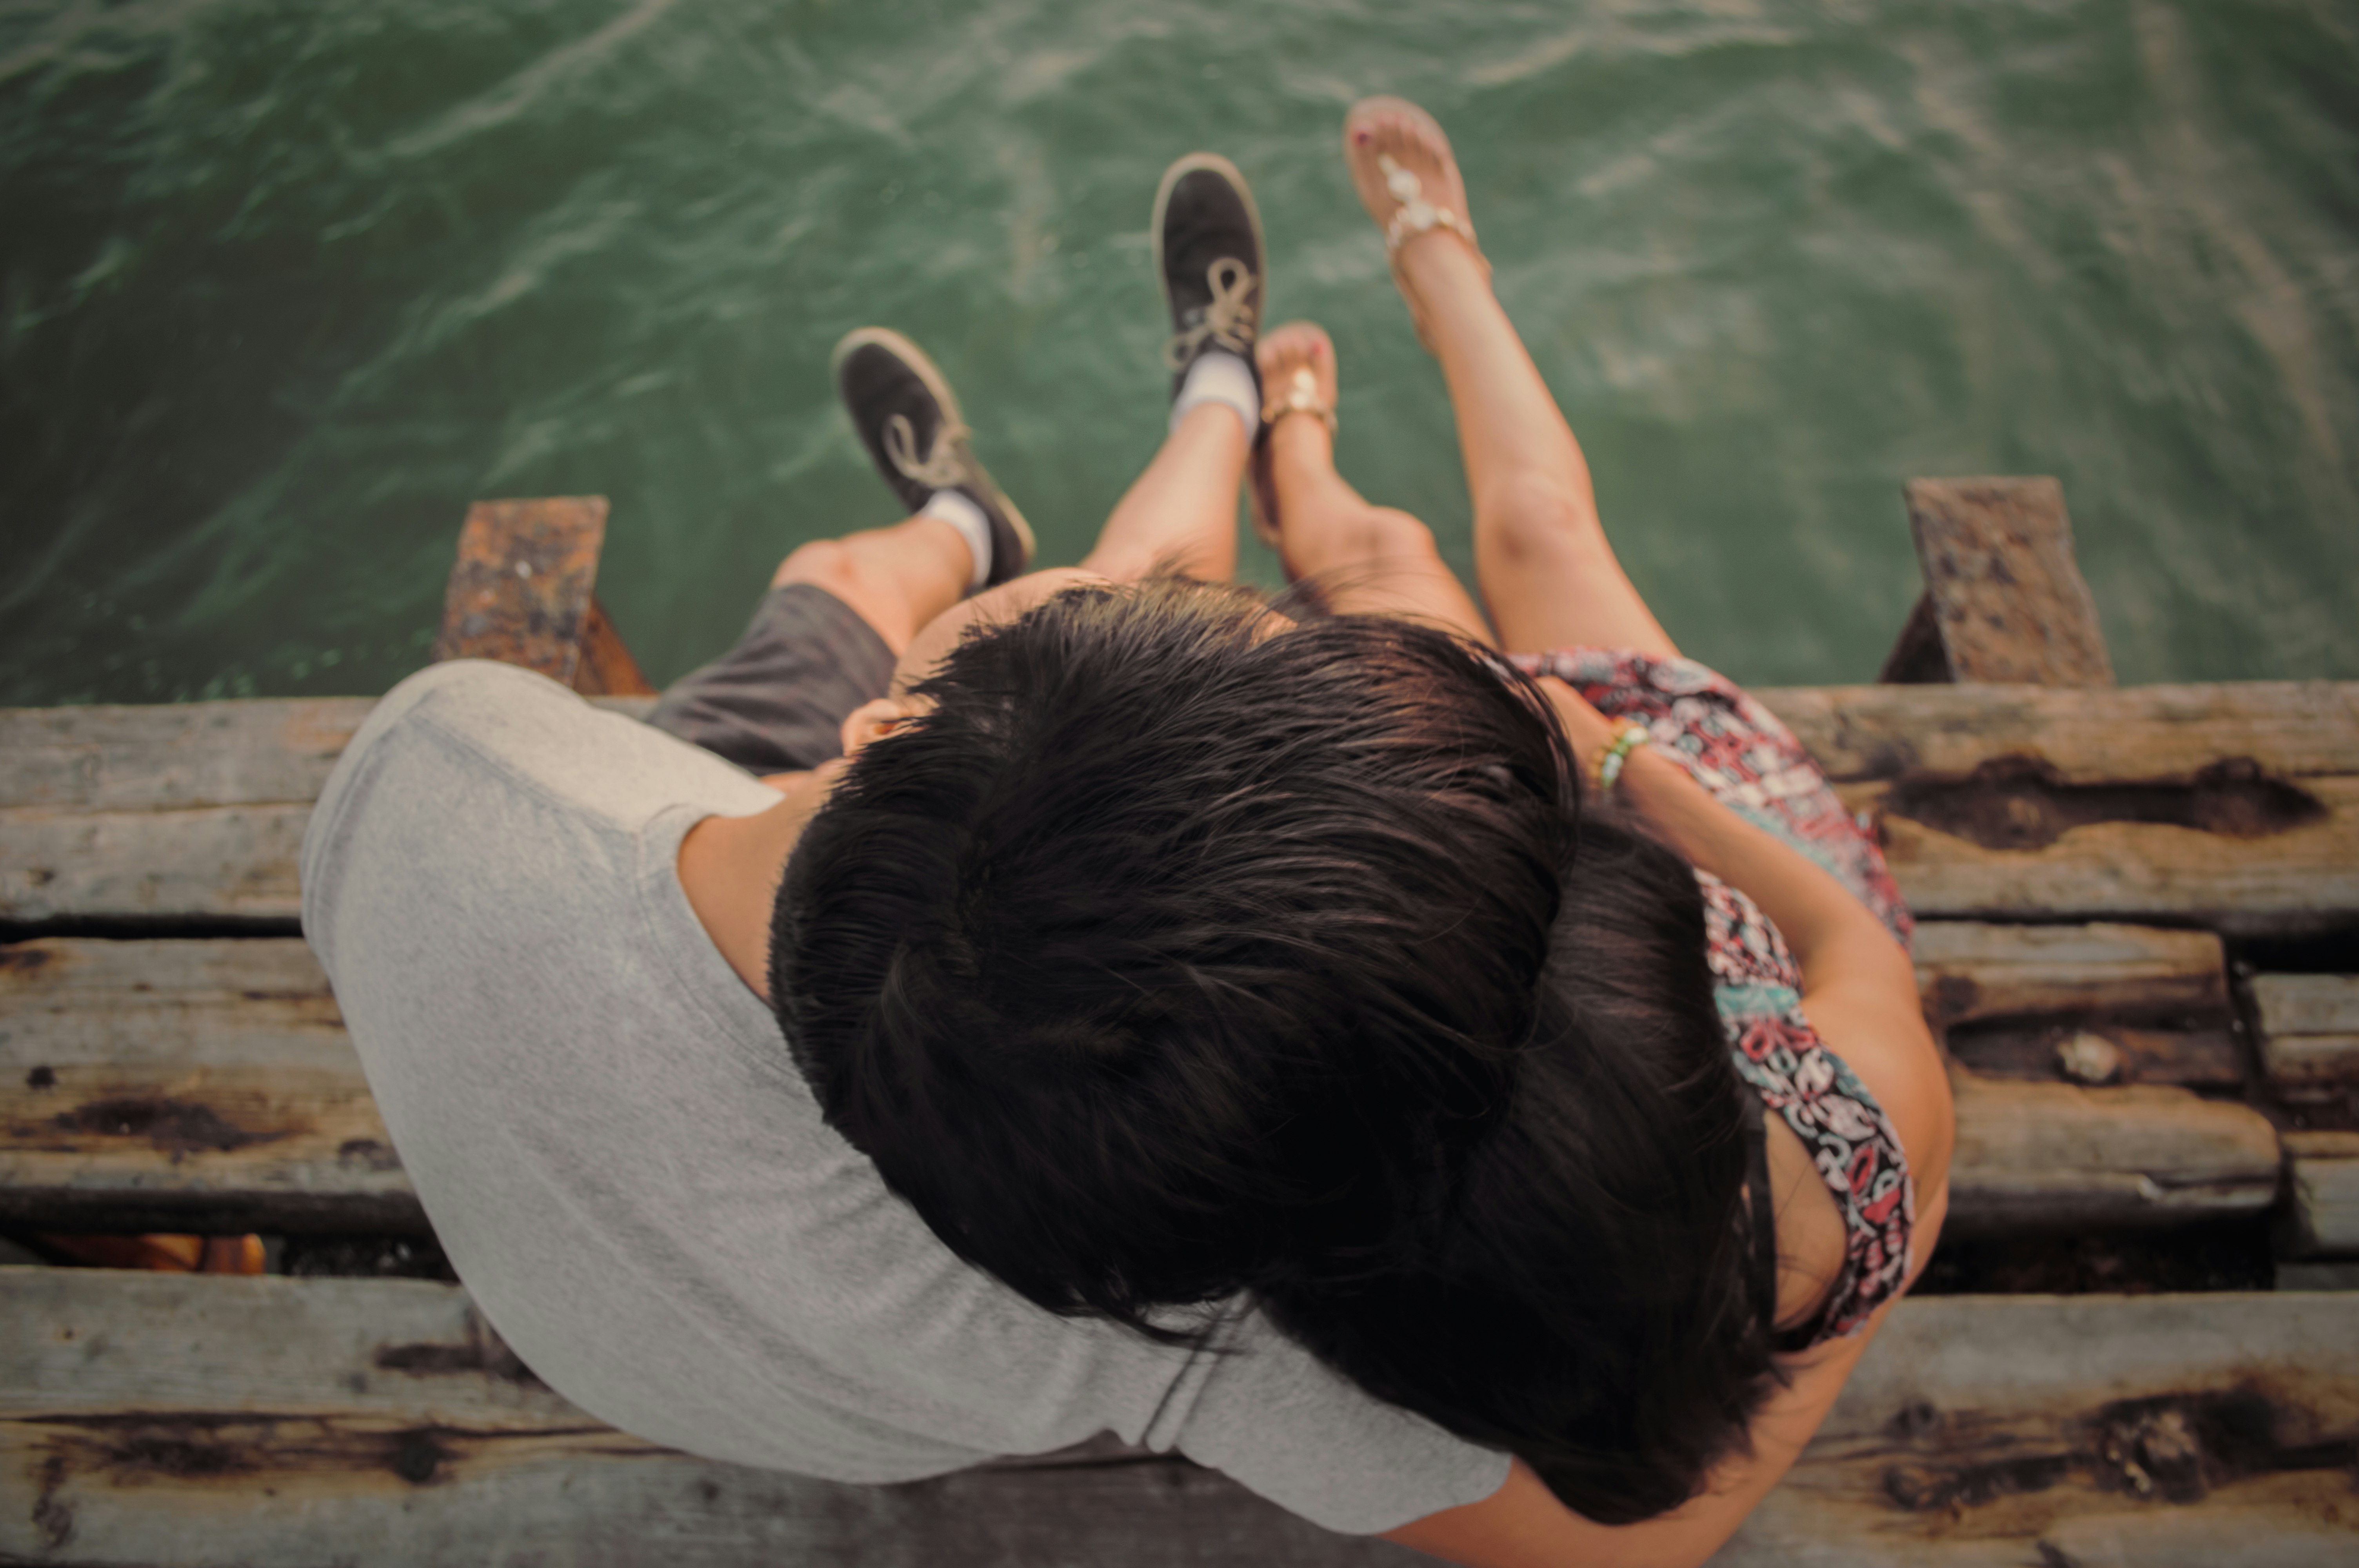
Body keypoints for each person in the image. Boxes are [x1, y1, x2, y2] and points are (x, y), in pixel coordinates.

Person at [300, 151, 1579, 1541]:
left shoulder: (449, 756)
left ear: (871, 736)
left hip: (674, 885)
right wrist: (1863, 1025)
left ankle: (966, 523)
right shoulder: (1149, 1274)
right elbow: (1627, 1545)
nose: (1130, 592)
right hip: (811, 1351)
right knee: (1032, 599)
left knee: (835, 581)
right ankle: (1195, 404)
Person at [784, 100, 1956, 1567]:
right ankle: (1419, 291)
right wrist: (1640, 781)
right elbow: (1848, 939)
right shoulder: (1858, 1153)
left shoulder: (1336, 1265)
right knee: (1530, 534)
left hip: (1484, 830)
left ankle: (1280, 452)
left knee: (1396, 571)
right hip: (1702, 805)